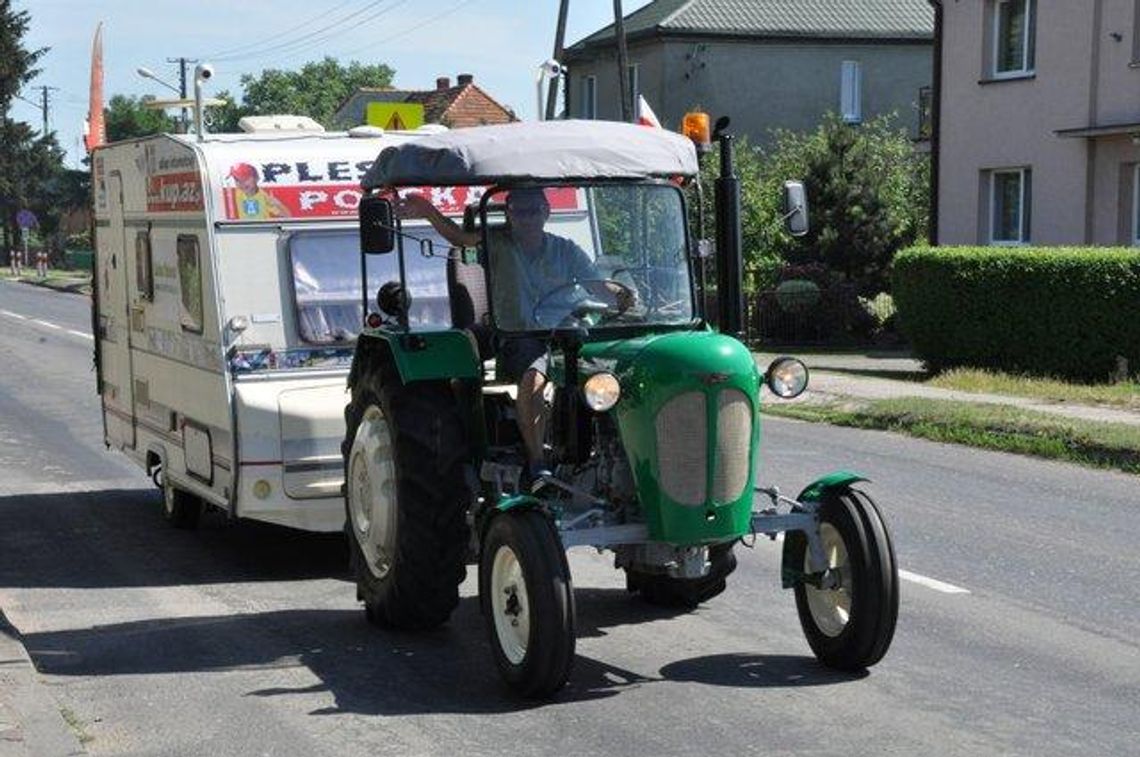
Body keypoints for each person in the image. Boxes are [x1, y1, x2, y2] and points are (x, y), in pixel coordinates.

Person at [397, 187, 635, 483]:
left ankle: (618, 455)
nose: (527, 218)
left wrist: (623, 296)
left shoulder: (566, 250)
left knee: (620, 373)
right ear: (508, 215)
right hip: (519, 333)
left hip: (568, 331)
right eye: (519, 211)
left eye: (533, 210)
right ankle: (538, 463)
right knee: (533, 380)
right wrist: (429, 210)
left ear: (546, 213)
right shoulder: (496, 244)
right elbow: (460, 239)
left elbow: (598, 288)